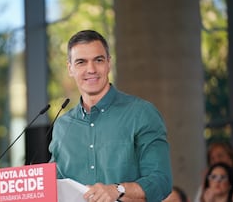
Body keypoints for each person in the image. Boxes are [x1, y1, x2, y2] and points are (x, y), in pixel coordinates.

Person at [48, 29, 172, 201]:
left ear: (109, 63)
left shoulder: (141, 113)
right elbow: (52, 187)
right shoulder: (62, 126)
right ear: (70, 68)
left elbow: (161, 181)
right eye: (81, 62)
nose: (91, 69)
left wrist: (118, 189)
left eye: (98, 60)